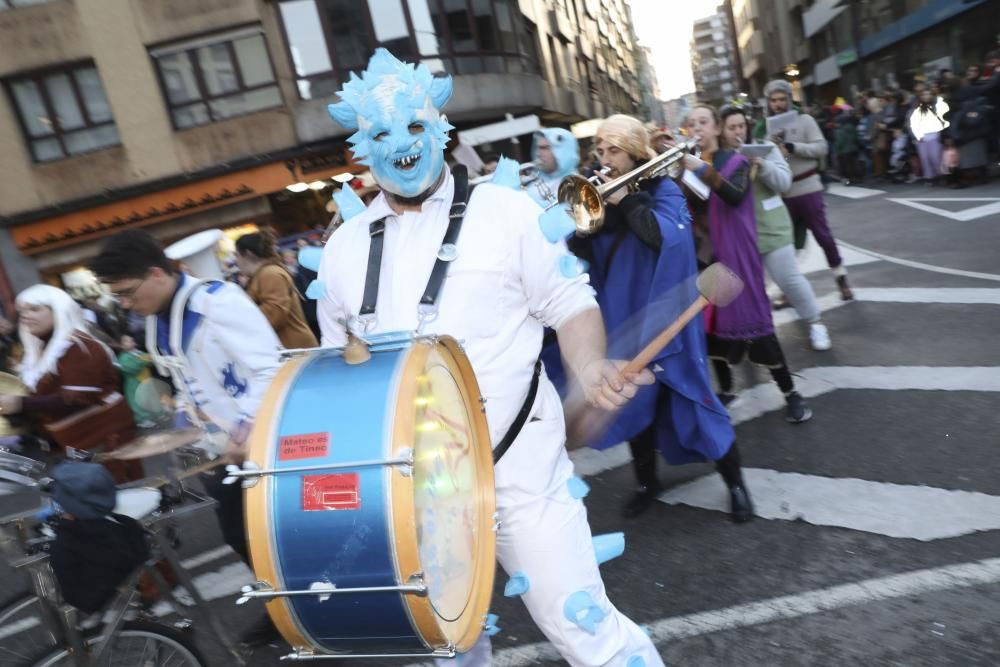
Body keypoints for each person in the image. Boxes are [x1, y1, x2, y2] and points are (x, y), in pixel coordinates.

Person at [321, 48, 663, 666]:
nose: (402, 143)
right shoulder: (343, 250)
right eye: (382, 132)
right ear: (361, 148)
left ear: (441, 128)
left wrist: (588, 369)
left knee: (588, 634)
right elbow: (341, 371)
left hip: (522, 472)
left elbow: (572, 304)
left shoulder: (506, 213)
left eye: (417, 125)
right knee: (448, 649)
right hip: (413, 495)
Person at [89, 229, 283, 647]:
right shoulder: (160, 313)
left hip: (264, 443)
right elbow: (185, 377)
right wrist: (182, 423)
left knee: (274, 536)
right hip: (221, 450)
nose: (124, 304)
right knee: (241, 537)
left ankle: (302, 613)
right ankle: (286, 609)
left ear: (157, 273)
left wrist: (245, 427)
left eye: (127, 292)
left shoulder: (218, 302)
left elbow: (271, 369)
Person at [560, 113, 753, 522]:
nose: (605, 157)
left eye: (614, 150)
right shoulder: (599, 193)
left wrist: (625, 199)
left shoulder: (663, 188)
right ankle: (648, 483)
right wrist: (582, 228)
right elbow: (582, 254)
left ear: (633, 152)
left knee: (695, 399)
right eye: (600, 149)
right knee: (633, 404)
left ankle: (735, 483)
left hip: (670, 317)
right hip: (621, 312)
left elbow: (666, 239)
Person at [682, 104, 812, 424]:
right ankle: (726, 389)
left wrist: (696, 167)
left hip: (740, 252)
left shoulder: (735, 160)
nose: (697, 127)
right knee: (711, 326)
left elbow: (735, 195)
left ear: (716, 128)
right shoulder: (691, 166)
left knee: (757, 324)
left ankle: (790, 392)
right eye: (692, 123)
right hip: (712, 255)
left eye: (704, 121)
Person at [0, 285, 143, 483]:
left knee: (124, 497)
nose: (25, 316)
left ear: (58, 309)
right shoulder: (41, 350)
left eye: (34, 309)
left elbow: (76, 399)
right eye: (22, 311)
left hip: (105, 439)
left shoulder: (77, 346)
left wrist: (21, 404)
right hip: (78, 444)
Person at [722, 106, 831, 352]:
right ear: (722, 130)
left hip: (773, 228)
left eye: (741, 126)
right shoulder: (721, 157)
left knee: (789, 279)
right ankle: (754, 336)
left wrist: (762, 164)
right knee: (748, 289)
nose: (738, 131)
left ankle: (815, 323)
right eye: (732, 127)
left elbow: (784, 182)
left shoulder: (764, 147)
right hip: (742, 235)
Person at [760, 79, 853, 302]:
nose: (778, 104)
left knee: (823, 235)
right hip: (784, 193)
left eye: (782, 99)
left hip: (808, 186)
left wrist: (793, 147)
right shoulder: (766, 127)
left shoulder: (805, 120)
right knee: (786, 245)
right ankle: (788, 290)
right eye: (773, 100)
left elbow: (822, 148)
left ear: (789, 100)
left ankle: (841, 278)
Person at [234, 230, 319, 349]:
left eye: (237, 255)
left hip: (294, 348)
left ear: (248, 253)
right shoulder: (263, 274)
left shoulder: (270, 274)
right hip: (289, 348)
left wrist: (239, 315)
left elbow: (274, 315)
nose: (236, 261)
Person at [527, 127, 579, 206]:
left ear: (563, 151)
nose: (538, 153)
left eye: (544, 148)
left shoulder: (579, 186)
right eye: (538, 148)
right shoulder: (531, 186)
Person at [908, 87, 949, 185]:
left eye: (928, 94)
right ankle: (931, 178)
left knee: (936, 157)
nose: (926, 96)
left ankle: (941, 175)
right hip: (921, 137)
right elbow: (911, 124)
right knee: (925, 158)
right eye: (924, 94)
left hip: (935, 135)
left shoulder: (937, 106)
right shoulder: (915, 108)